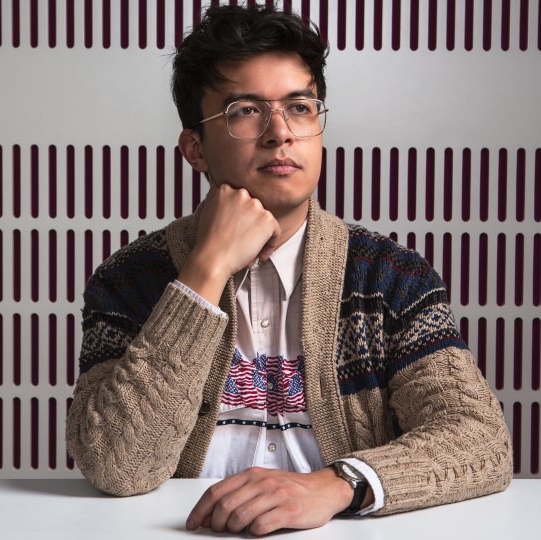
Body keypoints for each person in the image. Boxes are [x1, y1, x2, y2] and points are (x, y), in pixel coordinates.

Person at [66, 3, 512, 536]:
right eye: (245, 110)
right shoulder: (131, 279)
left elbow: (478, 437)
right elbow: (117, 464)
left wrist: (335, 484)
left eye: (300, 107)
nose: (280, 132)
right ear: (194, 149)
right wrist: (204, 273)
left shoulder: (390, 278)